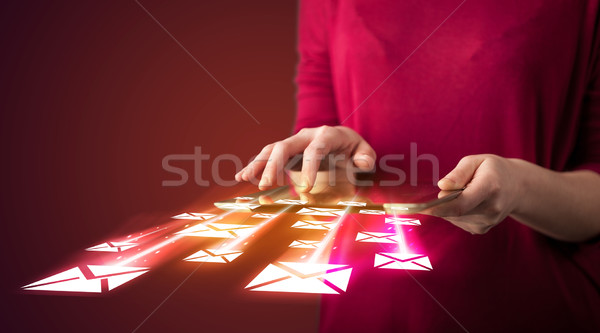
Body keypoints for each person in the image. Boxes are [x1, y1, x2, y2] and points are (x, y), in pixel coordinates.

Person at [236, 0, 600, 331]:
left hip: (531, 309)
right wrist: (327, 171)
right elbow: (319, 154)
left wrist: (519, 188)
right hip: (366, 313)